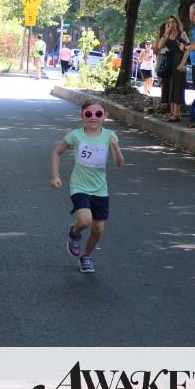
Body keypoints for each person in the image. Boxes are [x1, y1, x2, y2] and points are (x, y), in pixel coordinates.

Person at [50, 99, 124, 273]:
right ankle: (75, 233)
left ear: (105, 116)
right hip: (79, 186)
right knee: (85, 220)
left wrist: (115, 147)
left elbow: (119, 164)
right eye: (88, 114)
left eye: (98, 114)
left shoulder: (109, 136)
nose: (93, 117)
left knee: (98, 229)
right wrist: (55, 176)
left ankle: (86, 256)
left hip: (100, 188)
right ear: (82, 116)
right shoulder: (75, 135)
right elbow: (56, 152)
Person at [158, 17, 189, 122]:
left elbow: (187, 49)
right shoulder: (168, 34)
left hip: (179, 62)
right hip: (169, 63)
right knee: (170, 86)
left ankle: (177, 114)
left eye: (173, 22)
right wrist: (166, 32)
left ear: (177, 22)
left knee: (177, 87)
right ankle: (172, 113)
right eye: (169, 22)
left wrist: (182, 63)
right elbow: (160, 45)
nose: (171, 24)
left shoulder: (182, 34)